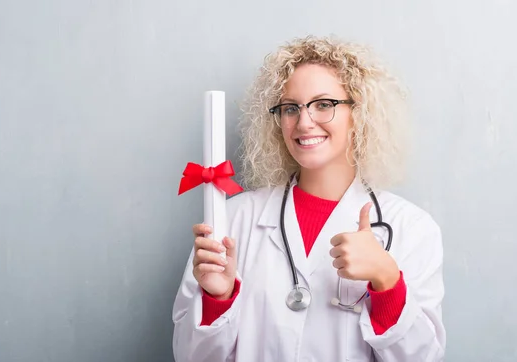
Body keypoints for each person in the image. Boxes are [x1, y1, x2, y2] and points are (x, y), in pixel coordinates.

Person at [172, 35, 446, 362]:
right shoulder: (231, 219)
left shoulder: (411, 228)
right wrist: (219, 298)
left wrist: (386, 280)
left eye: (323, 105)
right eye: (291, 108)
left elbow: (423, 358)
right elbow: (190, 357)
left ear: (358, 113)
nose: (303, 122)